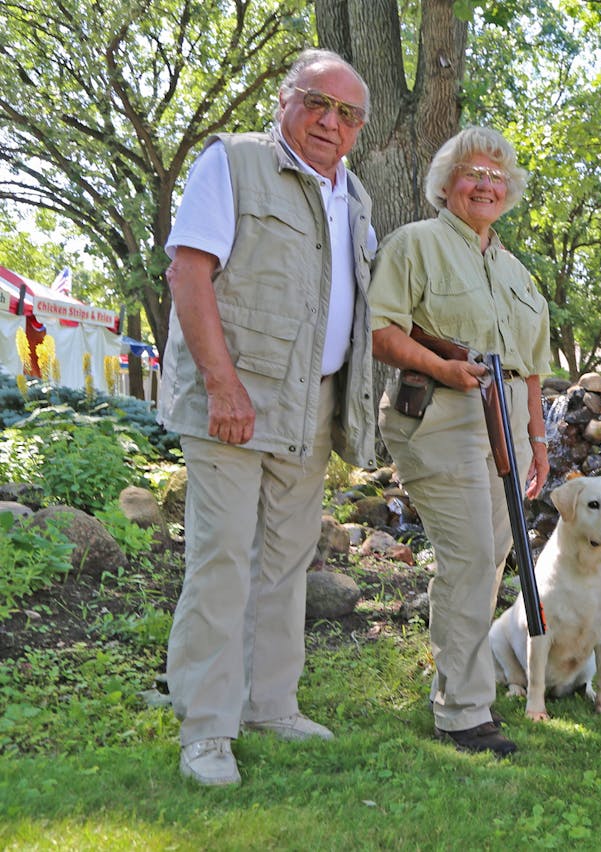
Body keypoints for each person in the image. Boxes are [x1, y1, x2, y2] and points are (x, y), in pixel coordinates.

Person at [159, 48, 378, 787]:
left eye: (347, 114)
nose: (330, 122)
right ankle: (206, 730)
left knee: (286, 561)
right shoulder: (234, 163)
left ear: (358, 130)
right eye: (317, 103)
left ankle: (270, 705)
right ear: (285, 102)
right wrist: (222, 387)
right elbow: (189, 274)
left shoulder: (356, 196)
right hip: (236, 397)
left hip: (307, 404)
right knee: (221, 559)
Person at [367, 126, 552, 757]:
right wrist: (446, 369)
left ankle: (466, 690)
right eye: (474, 173)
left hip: (509, 435)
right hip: (440, 421)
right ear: (446, 184)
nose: (486, 185)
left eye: (498, 178)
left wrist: (538, 440)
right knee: (472, 558)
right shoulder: (414, 244)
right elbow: (382, 330)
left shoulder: (519, 274)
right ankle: (463, 712)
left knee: (491, 559)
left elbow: (530, 370)